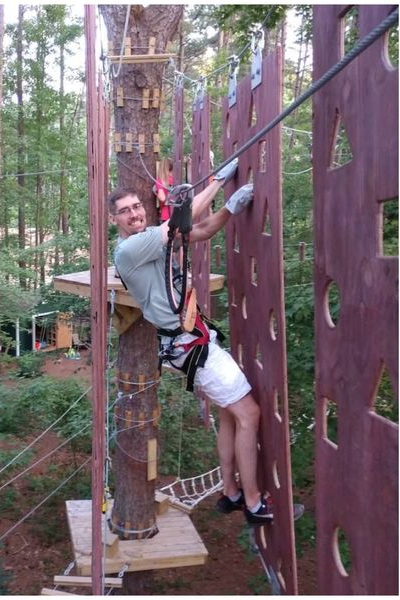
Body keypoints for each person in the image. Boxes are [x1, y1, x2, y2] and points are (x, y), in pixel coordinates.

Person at [108, 161, 275, 526]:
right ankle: (253, 503)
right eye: (125, 211)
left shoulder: (154, 236)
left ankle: (231, 494)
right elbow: (181, 222)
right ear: (114, 220)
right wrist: (218, 181)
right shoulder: (129, 250)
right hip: (190, 346)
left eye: (137, 207)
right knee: (250, 414)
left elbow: (201, 228)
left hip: (193, 341)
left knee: (231, 414)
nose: (134, 214)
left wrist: (230, 209)